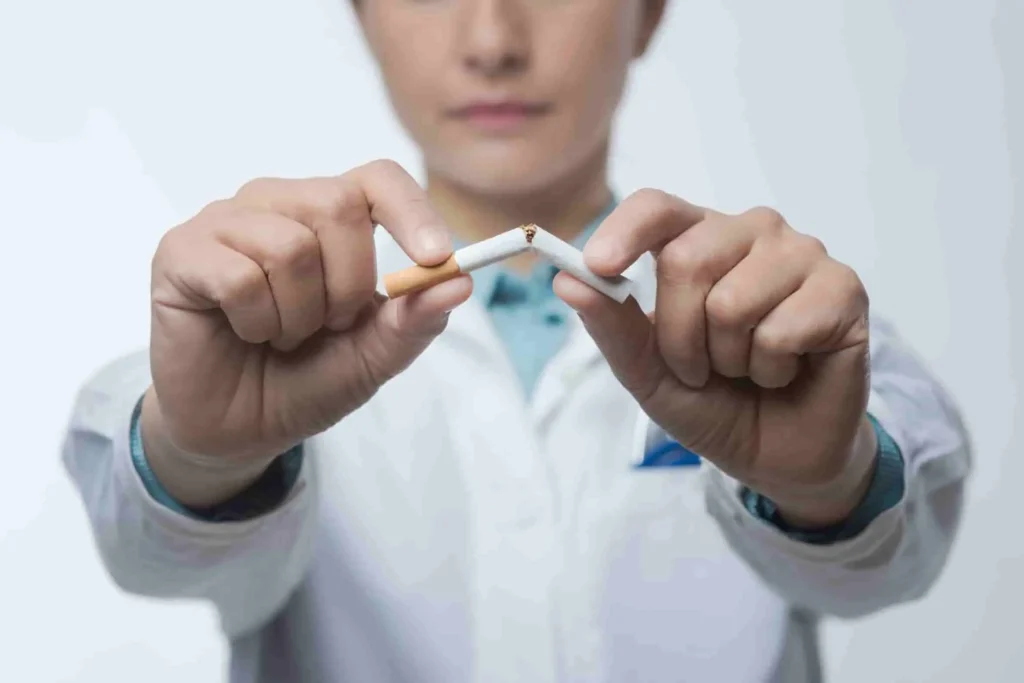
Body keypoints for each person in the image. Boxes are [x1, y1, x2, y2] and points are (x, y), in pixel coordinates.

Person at [62, 0, 971, 681]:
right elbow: (145, 549)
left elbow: (891, 563)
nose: (493, 39)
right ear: (361, 15)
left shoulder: (775, 328)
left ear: (648, 13)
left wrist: (826, 486)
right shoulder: (250, 329)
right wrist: (199, 455)